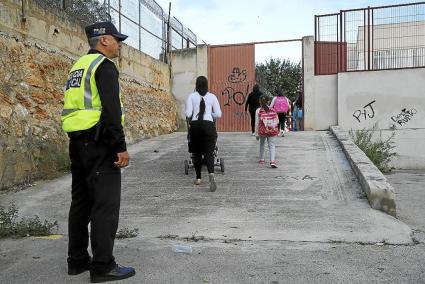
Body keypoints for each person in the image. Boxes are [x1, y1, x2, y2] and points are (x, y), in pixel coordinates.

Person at [61, 21, 135, 283]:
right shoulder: (104, 67)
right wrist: (120, 147)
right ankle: (103, 266)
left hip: (77, 143)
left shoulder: (78, 66)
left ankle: (77, 260)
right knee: (105, 206)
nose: (119, 44)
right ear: (103, 40)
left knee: (80, 203)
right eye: (117, 39)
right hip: (100, 144)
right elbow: (112, 111)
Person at [185, 76, 222, 191]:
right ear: (207, 84)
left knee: (196, 153)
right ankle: (211, 174)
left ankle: (199, 178)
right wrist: (210, 115)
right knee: (209, 153)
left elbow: (188, 113)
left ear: (196, 85)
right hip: (209, 126)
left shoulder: (191, 96)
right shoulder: (212, 97)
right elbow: (219, 114)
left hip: (195, 126)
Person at [255, 95, 279, 168]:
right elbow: (277, 121)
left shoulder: (258, 110)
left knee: (262, 144)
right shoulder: (273, 110)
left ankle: (262, 159)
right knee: (272, 145)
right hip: (272, 130)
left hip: (262, 131)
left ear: (260, 102)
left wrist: (256, 133)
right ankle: (272, 161)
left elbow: (257, 122)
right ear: (268, 101)